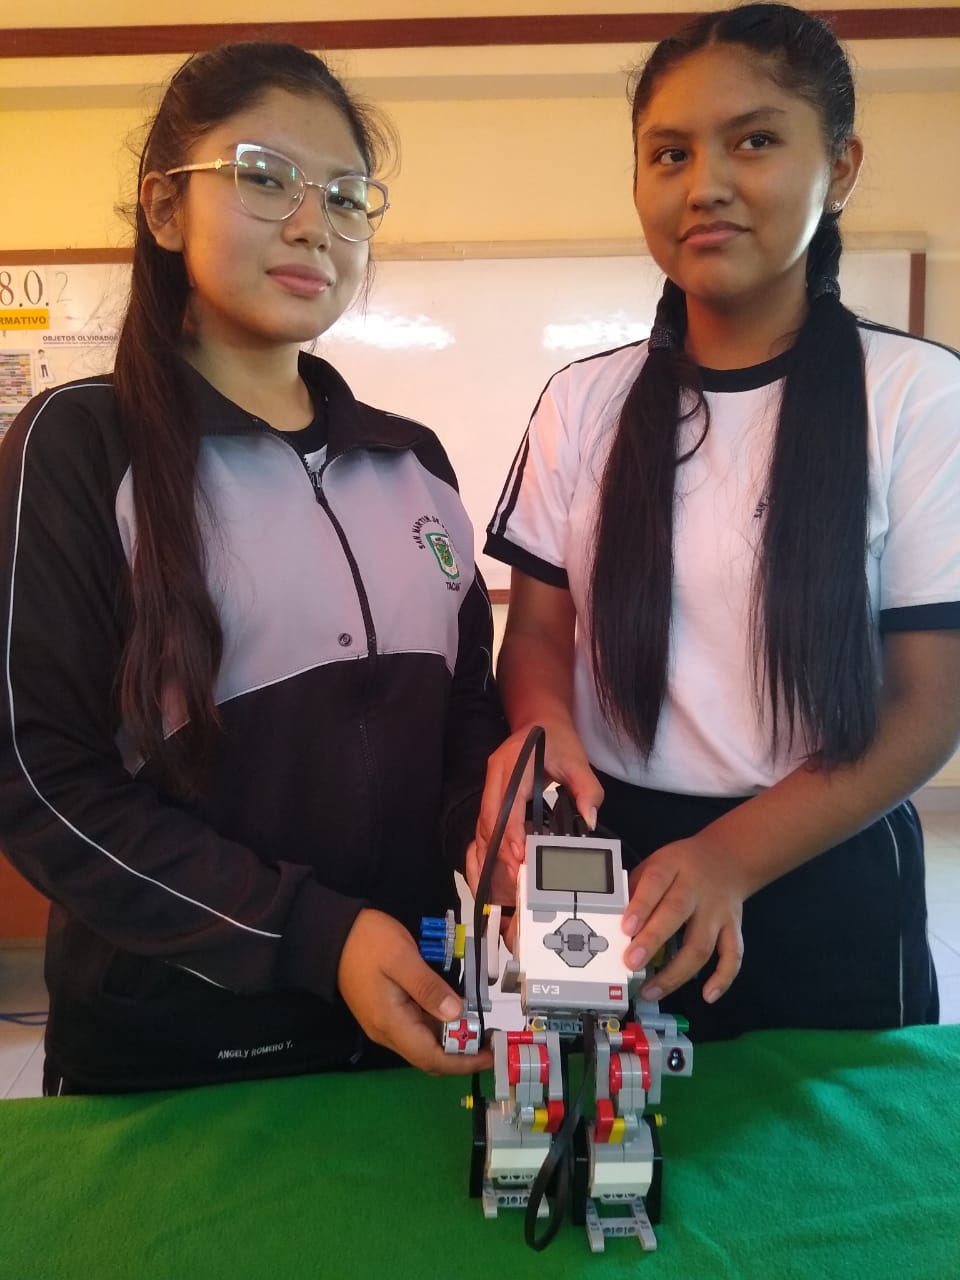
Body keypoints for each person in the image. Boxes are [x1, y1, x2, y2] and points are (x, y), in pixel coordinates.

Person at [0, 42, 503, 1093]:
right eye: (266, 177)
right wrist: (313, 935)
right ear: (165, 207)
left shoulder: (412, 461)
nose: (315, 224)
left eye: (347, 196)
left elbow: (466, 716)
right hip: (176, 1053)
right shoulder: (78, 443)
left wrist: (492, 845)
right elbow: (38, 778)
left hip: (411, 1017)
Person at [476, 3, 960, 1041]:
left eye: (755, 140)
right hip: (612, 860)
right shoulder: (584, 401)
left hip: (824, 860)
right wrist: (540, 730)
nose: (705, 185)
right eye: (670, 153)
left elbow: (929, 703)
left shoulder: (920, 396)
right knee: (595, 1116)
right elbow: (541, 635)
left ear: (841, 166)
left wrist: (733, 856)